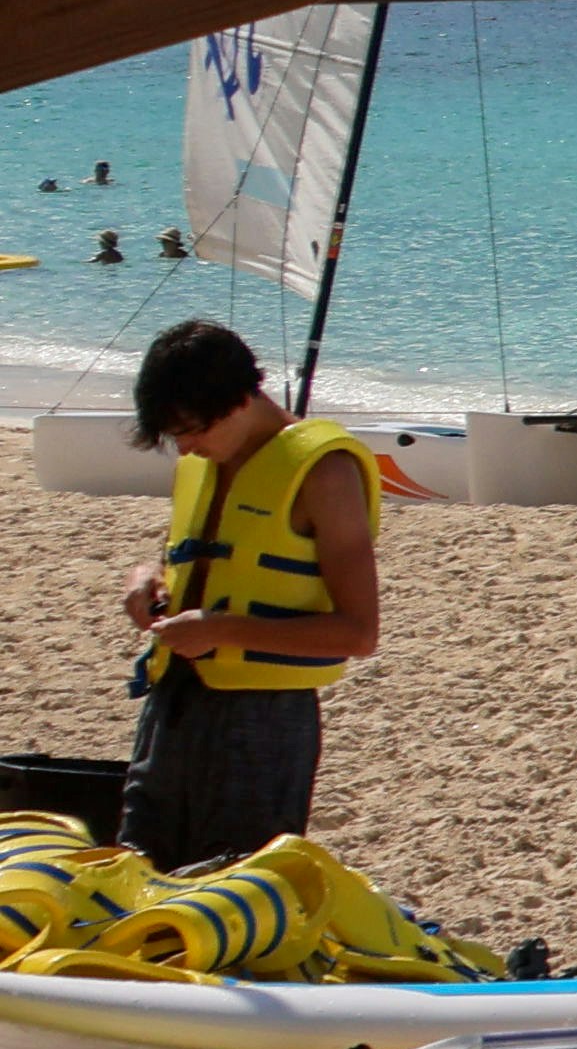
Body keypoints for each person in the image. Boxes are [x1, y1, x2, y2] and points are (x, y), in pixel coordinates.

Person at [118, 319, 380, 870]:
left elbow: (359, 632)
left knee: (233, 885)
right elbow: (189, 560)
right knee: (137, 869)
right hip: (174, 703)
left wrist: (222, 630)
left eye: (191, 429)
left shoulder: (326, 473)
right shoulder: (200, 462)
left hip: (264, 721)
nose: (184, 446)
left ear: (240, 399)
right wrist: (145, 579)